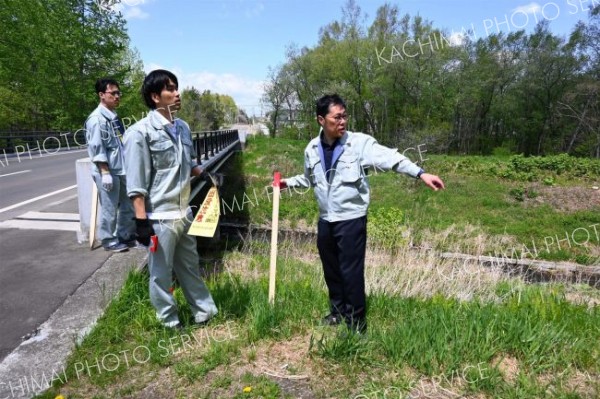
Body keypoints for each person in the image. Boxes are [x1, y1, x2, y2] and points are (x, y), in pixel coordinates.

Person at [281, 94, 445, 333]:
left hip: (351, 219)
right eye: (337, 117)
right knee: (332, 270)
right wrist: (286, 183)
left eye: (345, 116)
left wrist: (420, 173)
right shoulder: (311, 149)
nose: (343, 121)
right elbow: (309, 179)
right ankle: (337, 313)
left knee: (351, 273)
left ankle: (357, 324)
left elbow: (392, 159)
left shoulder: (359, 144)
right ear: (321, 120)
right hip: (326, 219)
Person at [123, 69, 217, 329]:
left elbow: (184, 163)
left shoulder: (183, 127)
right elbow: (136, 183)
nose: (177, 94)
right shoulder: (139, 133)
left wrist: (201, 171)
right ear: (155, 97)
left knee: (190, 266)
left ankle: (205, 312)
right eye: (170, 89)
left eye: (177, 88)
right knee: (161, 274)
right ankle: (169, 322)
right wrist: (141, 221)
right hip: (160, 217)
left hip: (183, 212)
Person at [85, 77, 136, 252]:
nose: (117, 96)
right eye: (113, 93)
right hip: (108, 171)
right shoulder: (97, 120)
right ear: (101, 95)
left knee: (127, 204)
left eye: (118, 93)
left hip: (121, 169)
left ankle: (124, 235)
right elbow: (97, 148)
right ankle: (108, 239)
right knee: (109, 207)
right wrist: (105, 172)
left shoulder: (113, 118)